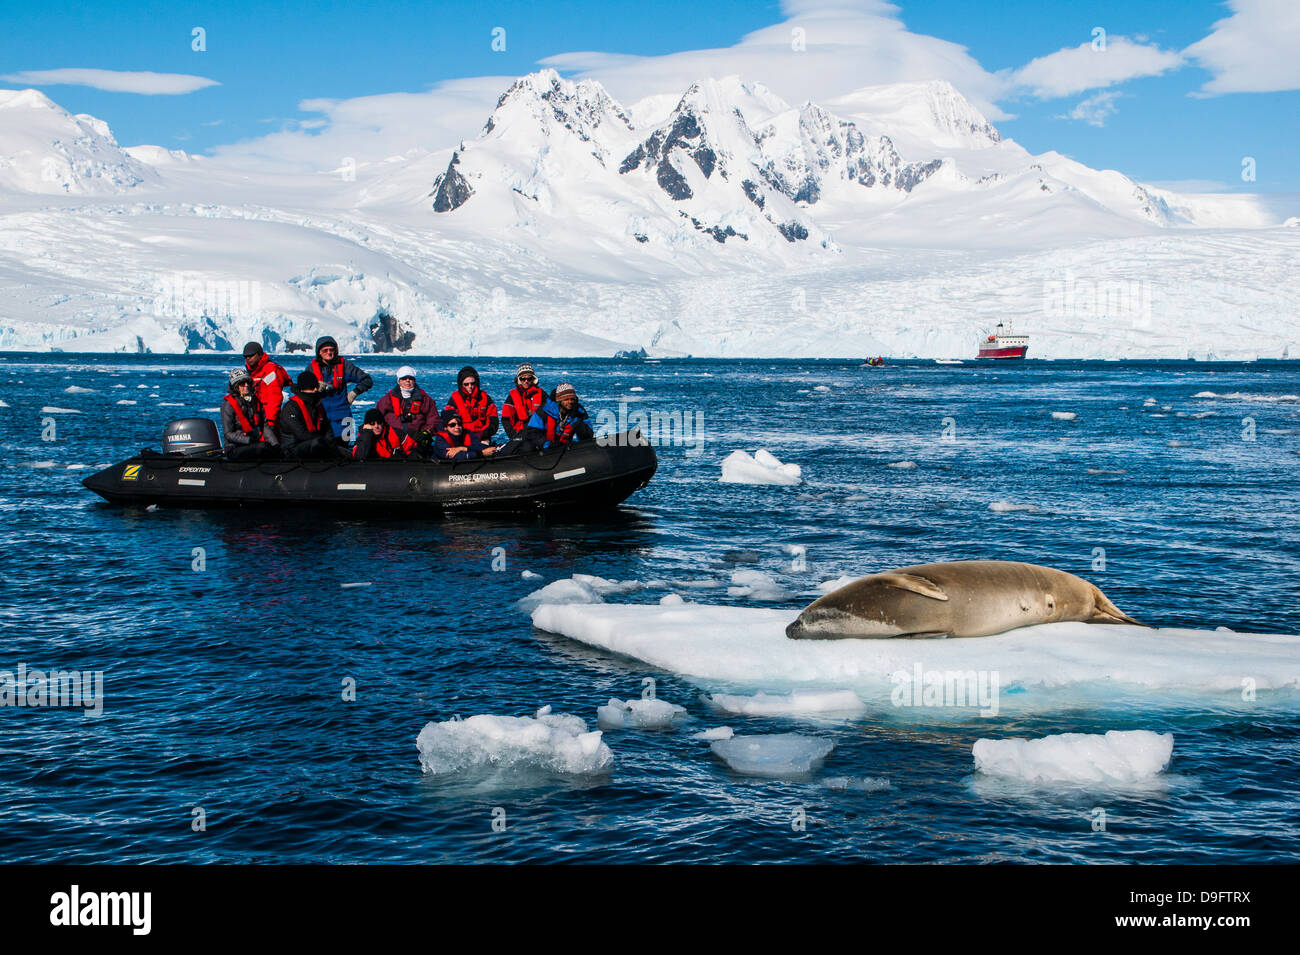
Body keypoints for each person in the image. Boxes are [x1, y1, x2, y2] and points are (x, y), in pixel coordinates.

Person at [305, 335, 372, 439]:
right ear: (319, 352)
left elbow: (367, 380)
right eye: (325, 350)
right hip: (321, 417)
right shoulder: (311, 369)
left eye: (331, 350)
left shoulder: (345, 366)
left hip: (344, 417)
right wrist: (315, 387)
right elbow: (302, 389)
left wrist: (354, 393)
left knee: (345, 447)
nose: (329, 353)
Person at [280, 372, 347, 459]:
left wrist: (331, 444)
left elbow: (327, 430)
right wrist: (324, 441)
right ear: (302, 389)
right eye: (311, 387)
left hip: (316, 442)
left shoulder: (317, 405)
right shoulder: (291, 407)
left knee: (344, 451)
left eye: (316, 386)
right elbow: (301, 434)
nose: (315, 389)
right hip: (292, 448)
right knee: (318, 443)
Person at [221, 368, 280, 460]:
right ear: (236, 387)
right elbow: (228, 434)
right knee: (263, 447)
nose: (246, 385)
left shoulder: (255, 402)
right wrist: (247, 440)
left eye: (247, 382)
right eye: (242, 384)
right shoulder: (228, 405)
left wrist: (275, 444)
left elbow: (264, 426)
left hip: (252, 443)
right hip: (235, 447)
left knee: (272, 449)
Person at [520, 382, 594, 454]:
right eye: (566, 399)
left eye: (572, 399)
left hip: (564, 446)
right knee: (527, 447)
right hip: (543, 447)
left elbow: (589, 435)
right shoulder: (544, 410)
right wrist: (547, 444)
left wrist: (580, 426)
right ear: (559, 400)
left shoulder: (579, 411)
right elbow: (532, 432)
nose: (570, 402)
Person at [375, 366, 440, 441]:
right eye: (404, 378)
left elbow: (433, 418)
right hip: (392, 439)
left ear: (414, 381)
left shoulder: (425, 399)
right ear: (399, 381)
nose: (407, 381)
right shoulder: (387, 399)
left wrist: (426, 432)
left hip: (417, 439)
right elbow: (377, 415)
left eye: (410, 378)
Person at [242, 342, 293, 433]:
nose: (248, 358)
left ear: (260, 355)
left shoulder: (271, 370)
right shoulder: (253, 372)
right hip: (257, 420)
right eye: (245, 356)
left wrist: (270, 422)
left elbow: (274, 397)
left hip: (268, 421)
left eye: (251, 355)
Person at [442, 365, 498, 445]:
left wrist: (483, 434)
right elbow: (448, 423)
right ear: (461, 384)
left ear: (476, 383)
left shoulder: (486, 399)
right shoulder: (454, 400)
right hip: (461, 439)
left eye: (472, 383)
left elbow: (493, 423)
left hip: (482, 439)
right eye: (466, 384)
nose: (470, 387)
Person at [500, 362, 545, 439]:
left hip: (538, 435)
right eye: (523, 379)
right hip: (519, 435)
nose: (526, 381)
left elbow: (551, 415)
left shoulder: (542, 394)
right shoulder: (512, 396)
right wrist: (514, 436)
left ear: (533, 379)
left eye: (529, 378)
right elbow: (505, 419)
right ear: (519, 380)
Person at [353, 409, 418, 460]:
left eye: (379, 422)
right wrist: (366, 434)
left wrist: (402, 458)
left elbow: (413, 449)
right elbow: (358, 457)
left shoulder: (395, 433)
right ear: (366, 425)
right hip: (372, 472)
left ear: (383, 423)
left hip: (396, 470)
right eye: (372, 423)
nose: (376, 426)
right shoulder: (363, 437)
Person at [432, 413, 499, 461]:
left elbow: (481, 446)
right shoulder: (440, 440)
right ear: (445, 428)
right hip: (444, 469)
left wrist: (462, 448)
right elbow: (454, 456)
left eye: (459, 424)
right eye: (452, 425)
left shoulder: (467, 433)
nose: (457, 427)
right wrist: (481, 453)